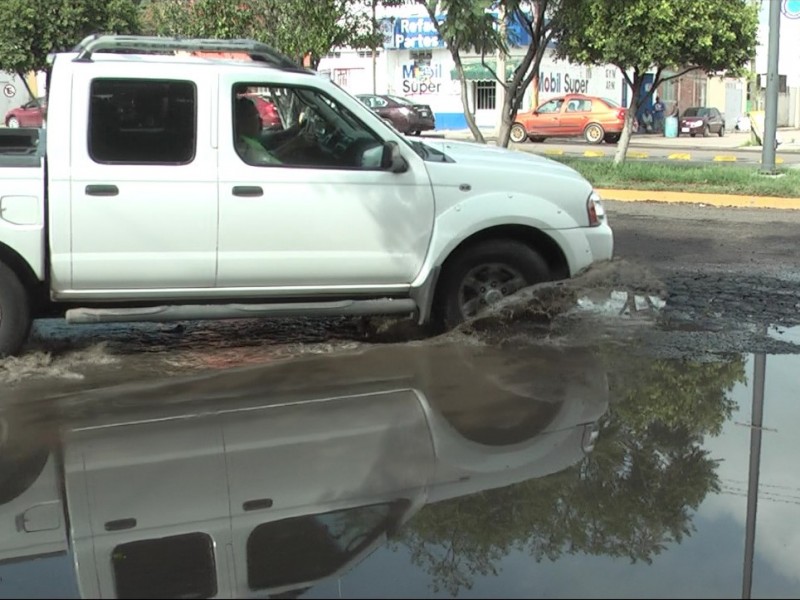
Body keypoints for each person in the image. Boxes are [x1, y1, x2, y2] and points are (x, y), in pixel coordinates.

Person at [234, 96, 281, 165]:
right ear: (243, 121)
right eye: (256, 116)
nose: (260, 120)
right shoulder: (245, 149)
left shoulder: (249, 142)